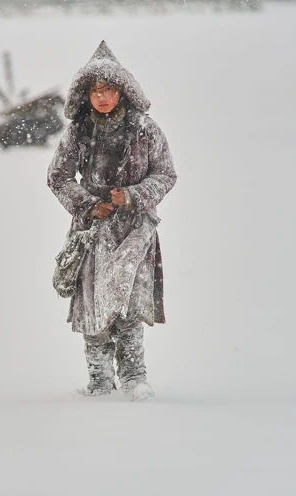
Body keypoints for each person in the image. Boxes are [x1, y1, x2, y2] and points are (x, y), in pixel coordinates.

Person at [47, 41, 178, 401]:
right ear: (86, 94)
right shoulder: (78, 131)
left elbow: (166, 174)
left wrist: (133, 196)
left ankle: (135, 379)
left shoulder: (145, 129)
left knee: (129, 308)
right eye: (95, 90)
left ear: (122, 91)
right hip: (92, 232)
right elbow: (58, 176)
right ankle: (100, 383)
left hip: (135, 231)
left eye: (108, 89)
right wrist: (89, 204)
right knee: (94, 309)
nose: (102, 97)